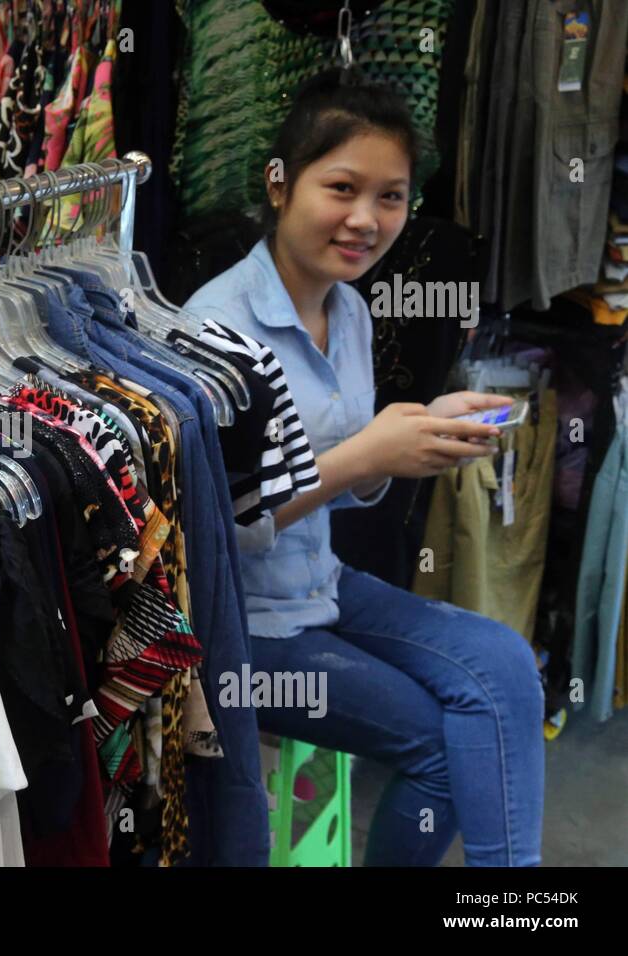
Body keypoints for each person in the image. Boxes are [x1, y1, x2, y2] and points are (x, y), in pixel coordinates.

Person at [182, 71, 544, 866]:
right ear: (280, 184)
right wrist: (368, 455)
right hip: (246, 623)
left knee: (506, 665)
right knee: (443, 747)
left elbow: (351, 485)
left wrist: (415, 438)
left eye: (391, 197)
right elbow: (218, 529)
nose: (365, 219)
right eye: (341, 188)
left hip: (322, 585)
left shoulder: (349, 309)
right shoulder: (214, 330)